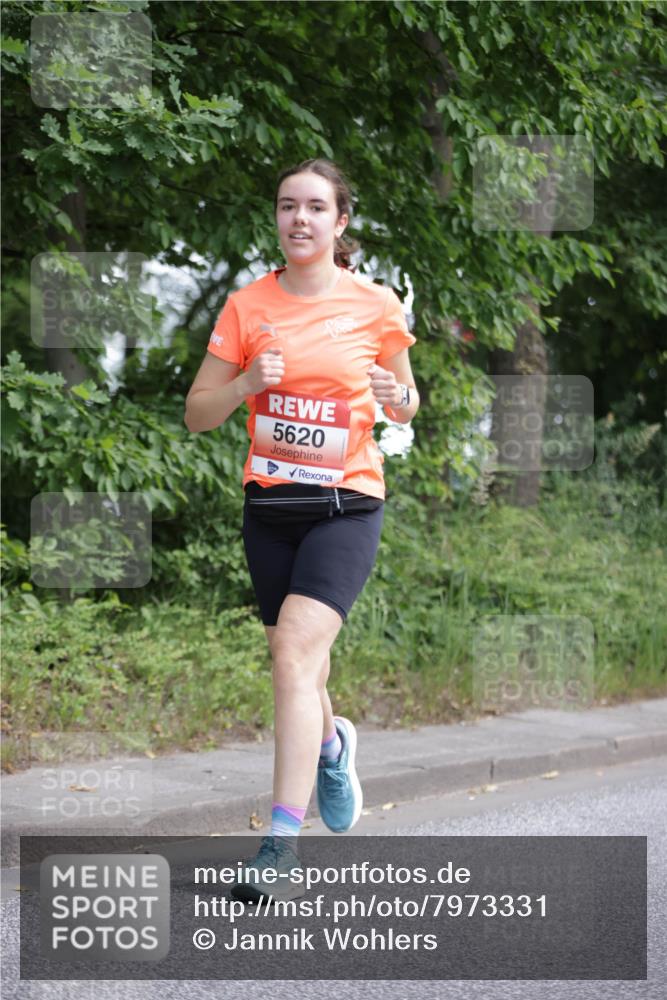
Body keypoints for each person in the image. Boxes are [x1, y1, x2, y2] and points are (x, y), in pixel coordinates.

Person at [184, 158, 419, 902]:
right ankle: (331, 743)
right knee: (297, 667)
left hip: (347, 504)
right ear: (277, 218)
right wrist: (246, 384)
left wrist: (396, 394)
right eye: (288, 206)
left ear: (340, 220)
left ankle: (280, 841)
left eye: (316, 207)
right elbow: (197, 412)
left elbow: (407, 401)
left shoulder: (376, 304)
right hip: (271, 510)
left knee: (292, 649)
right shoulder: (247, 305)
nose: (300, 219)